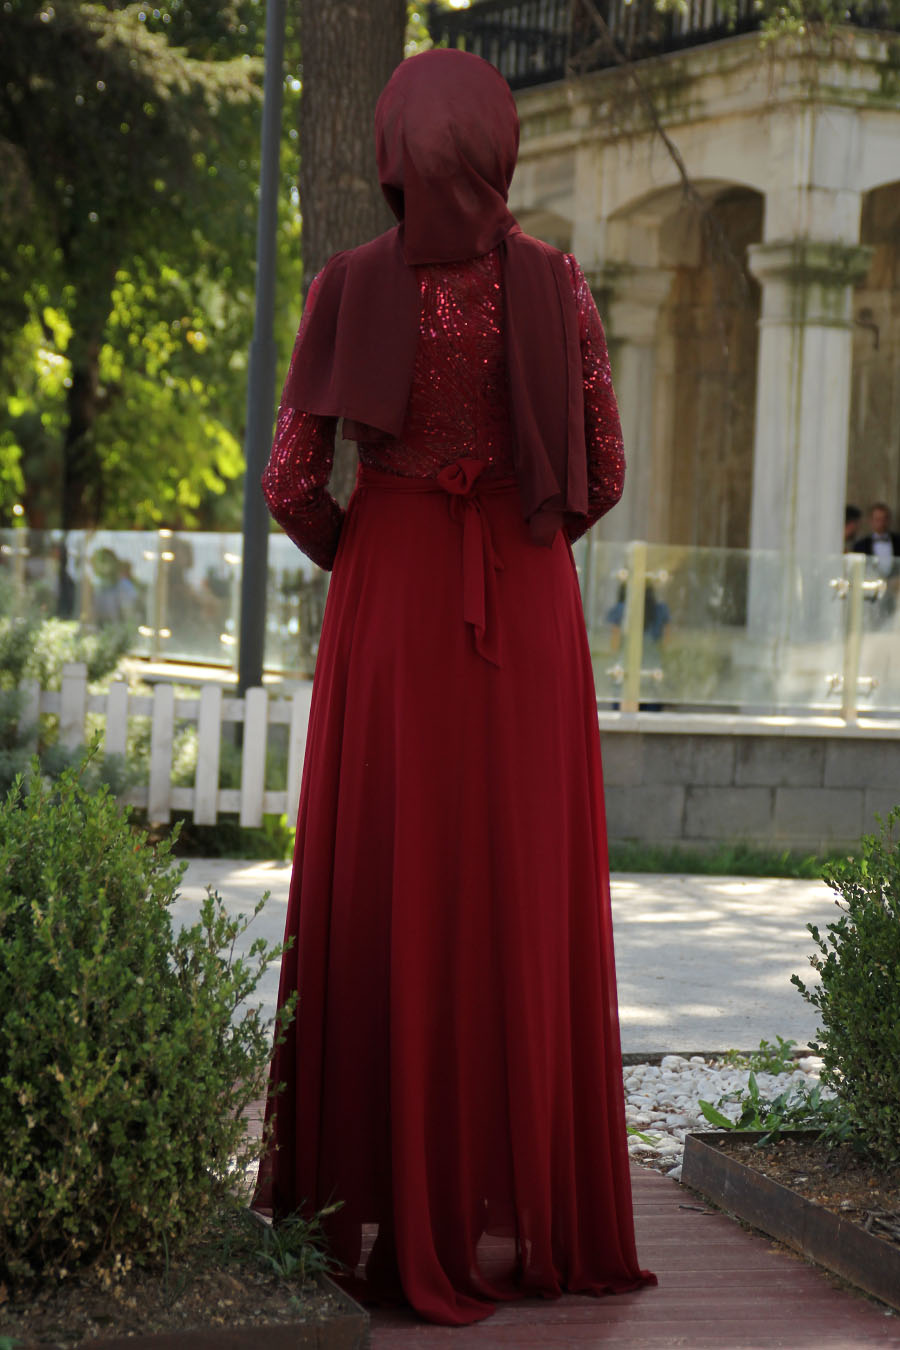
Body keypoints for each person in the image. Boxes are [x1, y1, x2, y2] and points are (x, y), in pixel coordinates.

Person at [253, 49, 656, 1327]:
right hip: (524, 605)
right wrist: (519, 545)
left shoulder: (348, 286)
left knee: (393, 877)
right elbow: (602, 467)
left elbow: (289, 482)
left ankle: (374, 1197)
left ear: (388, 150)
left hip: (396, 603)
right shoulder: (556, 285)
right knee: (517, 888)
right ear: (499, 145)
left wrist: (370, 550)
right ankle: (528, 1210)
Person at [853, 501, 900, 621]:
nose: (881, 523)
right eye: (877, 519)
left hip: (894, 590)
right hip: (871, 592)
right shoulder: (861, 545)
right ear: (870, 521)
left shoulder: (897, 542)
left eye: (884, 519)